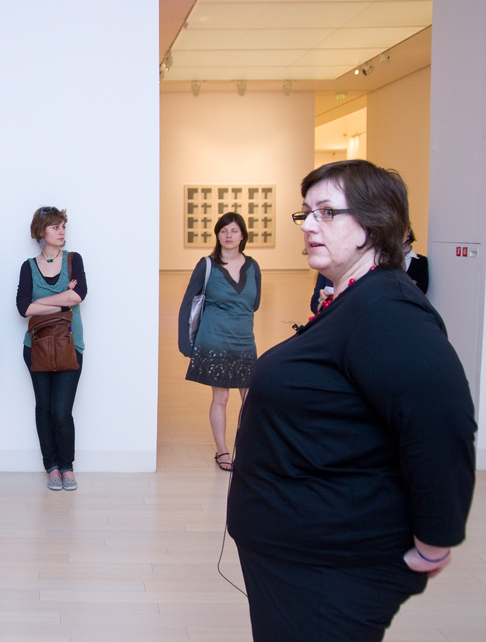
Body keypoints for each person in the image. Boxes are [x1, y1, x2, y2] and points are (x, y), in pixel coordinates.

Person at [227, 160, 477, 641]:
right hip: (301, 560)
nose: (309, 226)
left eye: (327, 212)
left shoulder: (388, 309)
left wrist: (435, 540)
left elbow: (441, 422)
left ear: (372, 223)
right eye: (306, 213)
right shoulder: (354, 300)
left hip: (331, 571)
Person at [178, 213, 260, 472]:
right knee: (221, 397)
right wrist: (185, 342)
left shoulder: (253, 266)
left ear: (242, 235)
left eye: (234, 230)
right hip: (215, 340)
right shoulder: (207, 265)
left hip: (245, 342)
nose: (228, 235)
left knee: (251, 398)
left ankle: (247, 448)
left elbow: (255, 303)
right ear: (217, 235)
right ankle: (222, 450)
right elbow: (187, 302)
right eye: (223, 231)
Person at [16, 206, 87, 491]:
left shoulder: (73, 260)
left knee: (61, 412)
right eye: (55, 227)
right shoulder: (28, 266)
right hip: (36, 347)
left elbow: (79, 295)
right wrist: (62, 300)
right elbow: (23, 308)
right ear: (41, 231)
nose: (61, 231)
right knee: (44, 409)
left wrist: (41, 302)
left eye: (63, 226)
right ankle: (52, 467)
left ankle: (67, 466)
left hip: (71, 345)